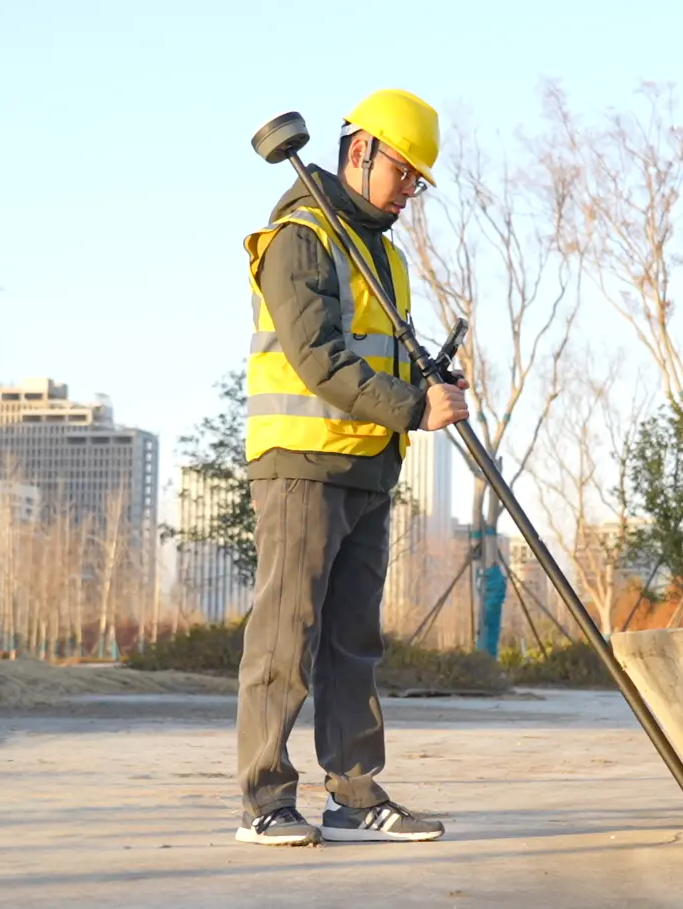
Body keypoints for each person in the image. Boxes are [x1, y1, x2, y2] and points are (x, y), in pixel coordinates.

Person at [233, 88, 469, 847]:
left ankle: (355, 794)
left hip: (368, 468)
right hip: (303, 466)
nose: (408, 192)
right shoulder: (299, 238)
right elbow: (319, 358)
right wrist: (414, 407)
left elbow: (379, 351)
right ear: (360, 151)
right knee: (285, 637)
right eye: (403, 173)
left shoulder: (383, 255)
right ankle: (266, 800)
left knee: (353, 646)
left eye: (418, 183)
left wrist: (429, 380)